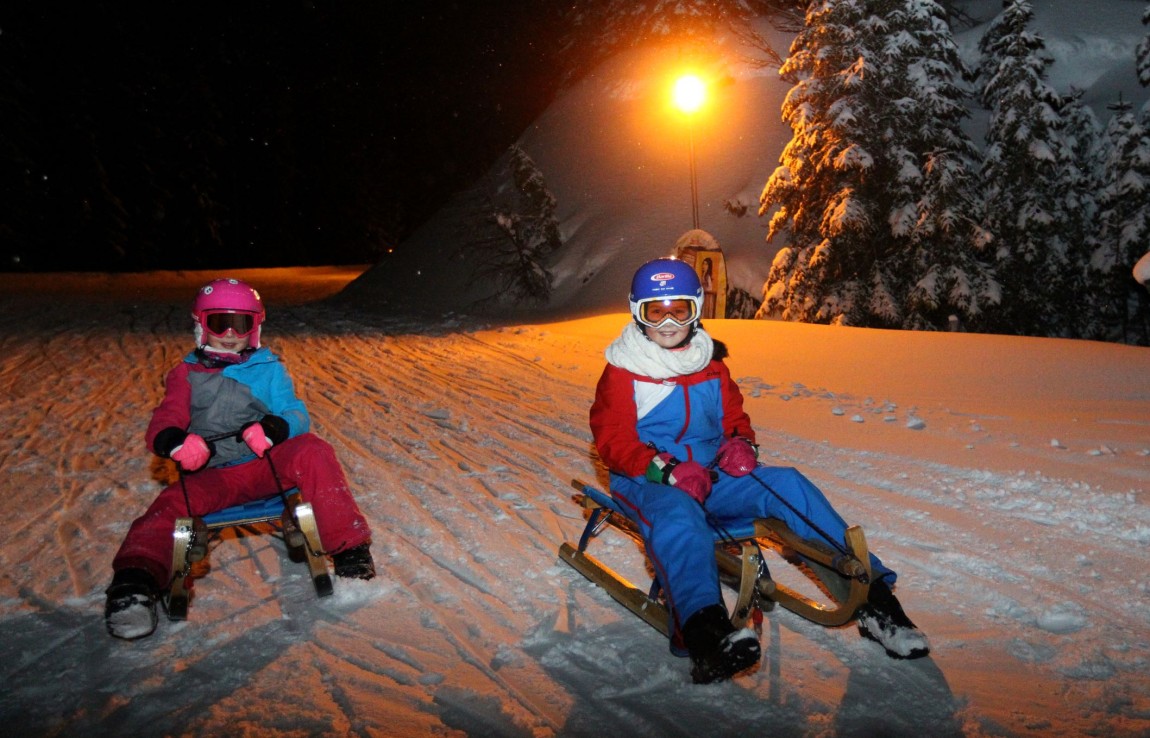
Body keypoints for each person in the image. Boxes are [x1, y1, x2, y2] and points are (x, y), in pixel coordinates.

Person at [589, 257, 929, 684]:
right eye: (655, 311)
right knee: (678, 516)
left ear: (696, 308)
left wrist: (739, 444)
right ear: (638, 313)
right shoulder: (624, 371)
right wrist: (667, 470)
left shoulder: (710, 363)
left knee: (785, 483)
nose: (669, 321)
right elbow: (613, 441)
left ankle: (875, 601)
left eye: (680, 309)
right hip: (648, 481)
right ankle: (706, 632)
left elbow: (734, 419)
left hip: (711, 474)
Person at [105, 278, 375, 640]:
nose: (231, 333)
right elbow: (163, 421)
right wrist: (178, 443)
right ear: (201, 325)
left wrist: (273, 429)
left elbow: (296, 414)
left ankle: (350, 552)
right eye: (220, 322)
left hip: (266, 469)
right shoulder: (186, 374)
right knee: (166, 506)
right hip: (214, 476)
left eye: (242, 323)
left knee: (313, 450)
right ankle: (134, 585)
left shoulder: (268, 368)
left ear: (255, 327)